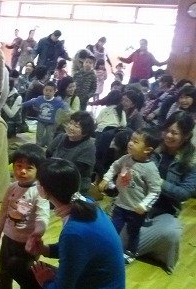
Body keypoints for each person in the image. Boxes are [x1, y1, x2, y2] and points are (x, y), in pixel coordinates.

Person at [5, 158, 125, 289]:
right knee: (17, 264)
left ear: (43, 191)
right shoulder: (87, 204)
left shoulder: (74, 230)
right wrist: (45, 250)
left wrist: (46, 282)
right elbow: (78, 251)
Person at [136, 111, 196, 273]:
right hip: (138, 203)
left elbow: (184, 193)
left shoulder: (191, 161)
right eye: (167, 130)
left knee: (171, 233)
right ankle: (142, 245)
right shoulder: (153, 147)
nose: (168, 135)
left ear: (186, 136)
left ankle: (133, 246)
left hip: (165, 211)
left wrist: (159, 182)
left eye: (174, 133)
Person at [0, 143, 49, 289]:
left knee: (25, 273)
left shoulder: (39, 191)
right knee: (4, 269)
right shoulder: (12, 187)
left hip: (27, 244)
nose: (22, 171)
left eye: (29, 168)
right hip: (8, 239)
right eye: (18, 166)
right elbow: (3, 212)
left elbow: (43, 216)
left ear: (39, 170)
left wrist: (37, 234)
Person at [99, 127, 162, 261]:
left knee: (133, 232)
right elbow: (114, 166)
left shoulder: (150, 169)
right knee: (113, 229)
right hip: (120, 204)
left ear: (147, 150)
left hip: (136, 210)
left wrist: (144, 205)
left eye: (136, 141)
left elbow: (155, 191)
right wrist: (106, 178)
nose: (130, 143)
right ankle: (109, 250)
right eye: (131, 140)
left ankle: (131, 252)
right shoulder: (126, 158)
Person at [47, 111, 96, 195]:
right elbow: (48, 155)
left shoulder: (88, 146)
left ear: (85, 132)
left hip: (74, 185)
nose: (71, 127)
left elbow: (74, 171)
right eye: (70, 123)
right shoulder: (61, 137)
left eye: (76, 126)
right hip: (54, 177)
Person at [22, 81, 68, 149]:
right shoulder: (39, 99)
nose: (48, 92)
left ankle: (49, 148)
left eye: (50, 91)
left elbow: (65, 105)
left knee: (50, 135)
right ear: (43, 90)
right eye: (46, 90)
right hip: (41, 121)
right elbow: (31, 102)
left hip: (51, 123)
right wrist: (22, 105)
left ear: (54, 92)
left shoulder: (57, 101)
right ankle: (37, 146)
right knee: (39, 134)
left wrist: (67, 111)